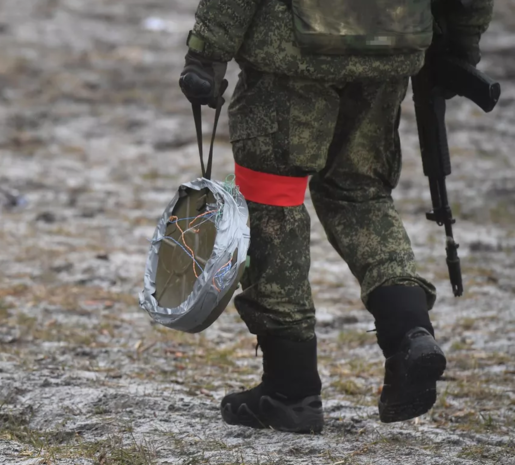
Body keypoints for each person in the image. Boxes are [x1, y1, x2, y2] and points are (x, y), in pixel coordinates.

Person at [178, 0, 493, 433]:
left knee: (275, 201)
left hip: (294, 51)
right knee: (359, 191)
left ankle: (290, 389)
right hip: (392, 41)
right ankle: (410, 335)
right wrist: (462, 37)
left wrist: (207, 51)